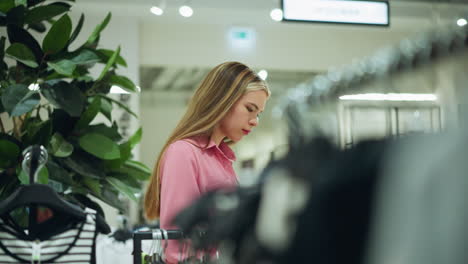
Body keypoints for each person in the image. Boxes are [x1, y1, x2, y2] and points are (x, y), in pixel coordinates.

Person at [144, 61, 271, 263]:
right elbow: (177, 242)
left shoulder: (221, 157)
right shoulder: (184, 152)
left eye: (258, 114)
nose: (255, 121)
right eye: (250, 109)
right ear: (223, 100)